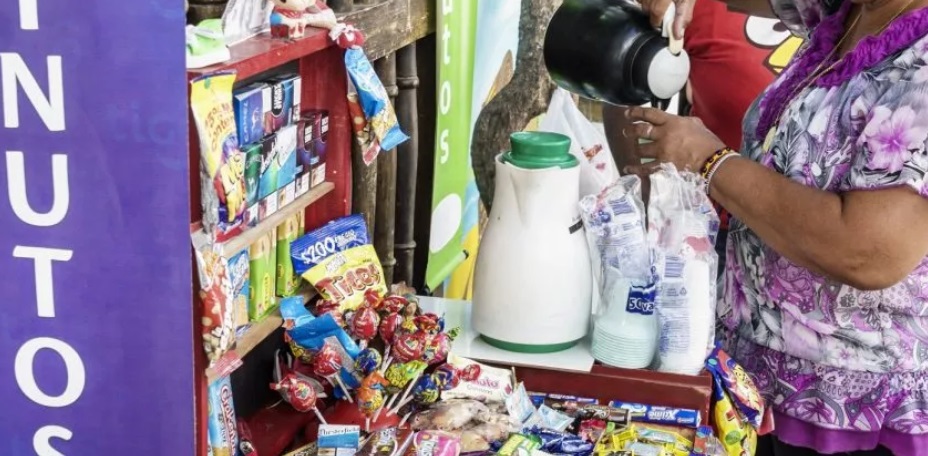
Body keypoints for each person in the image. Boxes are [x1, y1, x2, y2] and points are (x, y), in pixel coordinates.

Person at [614, 0, 928, 453]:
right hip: (757, 388)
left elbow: (867, 252)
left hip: (854, 418)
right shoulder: (849, 10)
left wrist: (712, 162)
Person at [603, 2, 800, 273]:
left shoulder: (859, 15)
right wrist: (647, 196)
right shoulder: (699, 8)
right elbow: (622, 82)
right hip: (709, 235)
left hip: (817, 244)